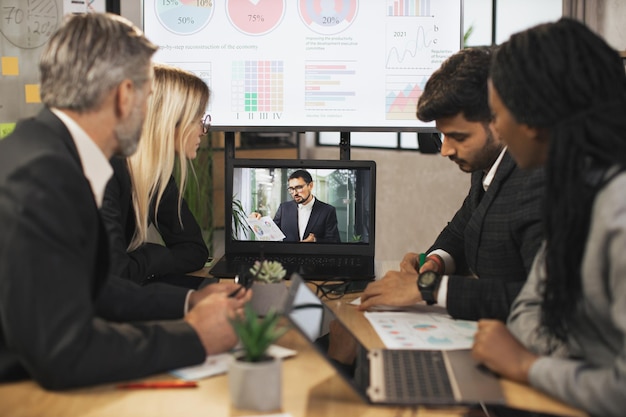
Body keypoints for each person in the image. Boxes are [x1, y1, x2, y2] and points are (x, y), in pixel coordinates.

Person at [0, 13, 249, 390]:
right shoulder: (43, 177)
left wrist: (187, 306)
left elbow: (93, 286)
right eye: (149, 99)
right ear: (124, 95)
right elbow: (64, 353)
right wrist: (195, 338)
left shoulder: (45, 152)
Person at [471, 18, 626, 417]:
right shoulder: (578, 193)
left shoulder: (618, 214)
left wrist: (529, 366)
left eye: (496, 115)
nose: (498, 131)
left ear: (532, 120)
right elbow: (527, 308)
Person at [359, 47, 545, 321]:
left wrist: (428, 288)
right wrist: (435, 262)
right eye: (442, 136)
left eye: (458, 136)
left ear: (499, 122)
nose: (445, 150)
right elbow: (462, 230)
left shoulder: (537, 182)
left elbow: (537, 302)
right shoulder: (486, 166)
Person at [101, 63, 210, 286]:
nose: (203, 130)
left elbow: (195, 250)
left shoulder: (154, 175)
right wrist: (149, 257)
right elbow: (115, 275)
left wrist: (144, 257)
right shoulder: (107, 172)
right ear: (169, 120)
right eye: (197, 119)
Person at [252, 169, 341, 243]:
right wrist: (255, 222)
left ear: (310, 185)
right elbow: (270, 234)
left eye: (299, 187)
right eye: (291, 189)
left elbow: (334, 241)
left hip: (314, 259)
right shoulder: (284, 208)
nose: (294, 193)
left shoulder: (327, 210)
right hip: (287, 259)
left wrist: (315, 240)